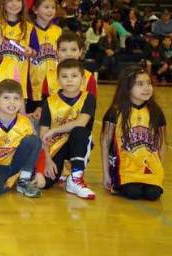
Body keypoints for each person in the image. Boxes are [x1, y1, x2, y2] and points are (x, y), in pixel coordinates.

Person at [101, 66, 165, 200]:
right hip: (124, 168)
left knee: (153, 194)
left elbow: (161, 144)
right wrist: (106, 174)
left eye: (149, 83)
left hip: (150, 168)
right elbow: (105, 143)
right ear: (127, 87)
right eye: (140, 84)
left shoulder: (156, 112)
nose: (147, 88)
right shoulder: (115, 111)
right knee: (133, 192)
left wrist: (160, 169)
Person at [39, 59, 96, 199]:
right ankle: (63, 176)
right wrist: (47, 160)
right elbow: (43, 134)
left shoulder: (88, 98)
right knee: (45, 184)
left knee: (79, 131)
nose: (69, 80)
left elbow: (81, 122)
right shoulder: (49, 102)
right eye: (64, 76)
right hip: (56, 146)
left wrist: (55, 130)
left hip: (77, 143)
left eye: (74, 76)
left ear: (82, 79)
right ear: (58, 80)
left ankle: (76, 177)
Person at [27, 0, 61, 115]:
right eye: (46, 7)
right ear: (35, 10)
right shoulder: (28, 29)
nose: (50, 10)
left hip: (54, 84)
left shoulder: (58, 31)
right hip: (32, 84)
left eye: (53, 7)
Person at [42, 31, 97, 97]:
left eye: (73, 50)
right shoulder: (49, 77)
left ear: (80, 52)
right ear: (57, 52)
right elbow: (44, 105)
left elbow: (91, 105)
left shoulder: (89, 79)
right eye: (63, 50)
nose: (69, 54)